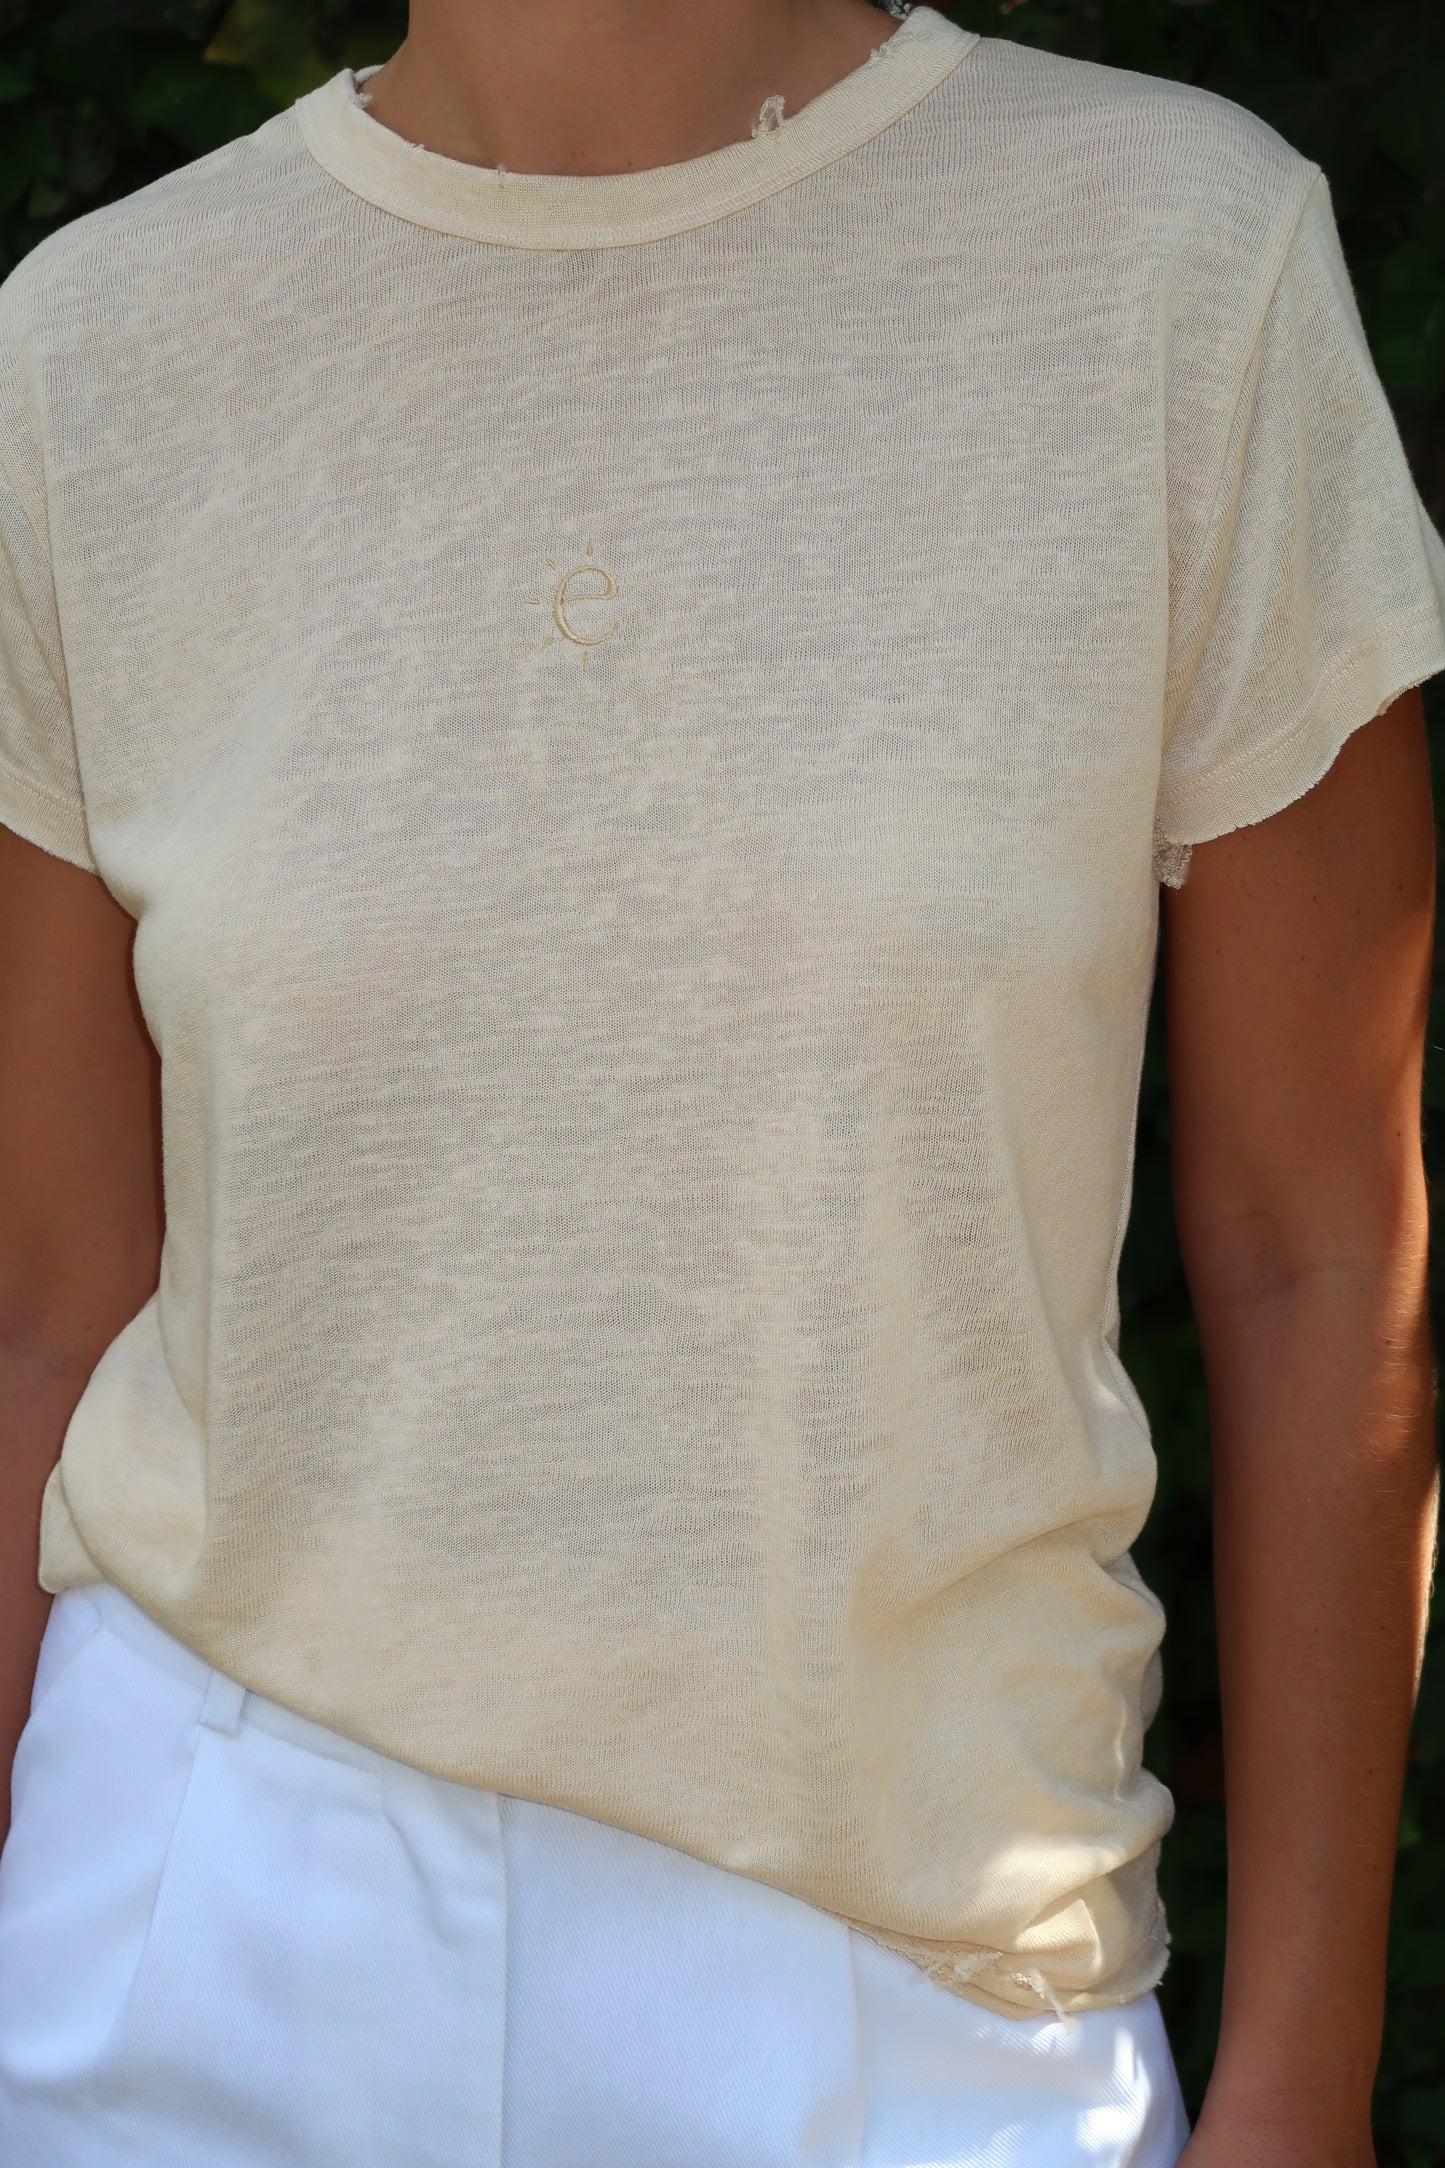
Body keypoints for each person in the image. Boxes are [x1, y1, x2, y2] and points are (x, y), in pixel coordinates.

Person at [0, 0, 1440, 2160]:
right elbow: (45, 1300)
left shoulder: (1174, 265)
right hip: (190, 1926)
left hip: (920, 1984)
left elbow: (1323, 1250)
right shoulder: (98, 350)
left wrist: (1305, 2082)